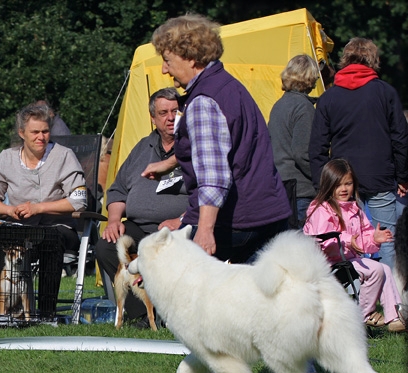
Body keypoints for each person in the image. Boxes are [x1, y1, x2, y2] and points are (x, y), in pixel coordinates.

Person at [142, 14, 291, 263]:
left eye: (167, 60)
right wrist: (169, 163)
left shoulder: (203, 101)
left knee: (171, 280)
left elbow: (214, 174)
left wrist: (205, 229)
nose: (164, 69)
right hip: (266, 213)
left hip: (235, 222)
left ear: (190, 57)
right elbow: (228, 148)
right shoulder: (228, 86)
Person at [309, 37, 408, 270]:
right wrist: (403, 176)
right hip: (380, 175)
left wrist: (322, 185)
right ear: (373, 60)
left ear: (346, 59)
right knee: (385, 240)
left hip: (342, 181)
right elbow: (401, 138)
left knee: (349, 242)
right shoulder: (385, 92)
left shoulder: (328, 98)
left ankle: (360, 296)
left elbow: (317, 147)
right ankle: (391, 299)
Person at [95, 87, 188, 324]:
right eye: (164, 112)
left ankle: (172, 315)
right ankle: (145, 315)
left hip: (177, 228)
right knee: (106, 247)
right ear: (153, 118)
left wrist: (183, 219)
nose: (170, 117)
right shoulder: (142, 147)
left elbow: (209, 193)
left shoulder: (192, 147)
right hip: (137, 226)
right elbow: (117, 190)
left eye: (175, 111)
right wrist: (115, 219)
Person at [0, 103, 87, 315]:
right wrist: (10, 210)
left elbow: (79, 200)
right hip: (20, 227)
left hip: (58, 227)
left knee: (52, 238)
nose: (41, 137)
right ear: (22, 133)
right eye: (35, 132)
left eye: (45, 131)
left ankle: (46, 312)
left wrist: (39, 208)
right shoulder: (6, 158)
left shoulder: (64, 156)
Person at [304, 159, 405, 333]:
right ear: (328, 186)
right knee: (376, 269)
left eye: (348, 184)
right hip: (328, 263)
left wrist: (374, 239)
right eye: (338, 185)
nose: (344, 189)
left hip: (350, 260)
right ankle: (362, 316)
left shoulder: (355, 208)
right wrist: (349, 240)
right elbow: (321, 240)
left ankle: (393, 316)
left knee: (384, 269)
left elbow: (363, 238)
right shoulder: (321, 209)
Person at [268, 54, 320, 228]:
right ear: (309, 77)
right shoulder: (304, 108)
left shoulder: (279, 105)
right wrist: (322, 180)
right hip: (299, 189)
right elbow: (302, 153)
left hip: (279, 184)